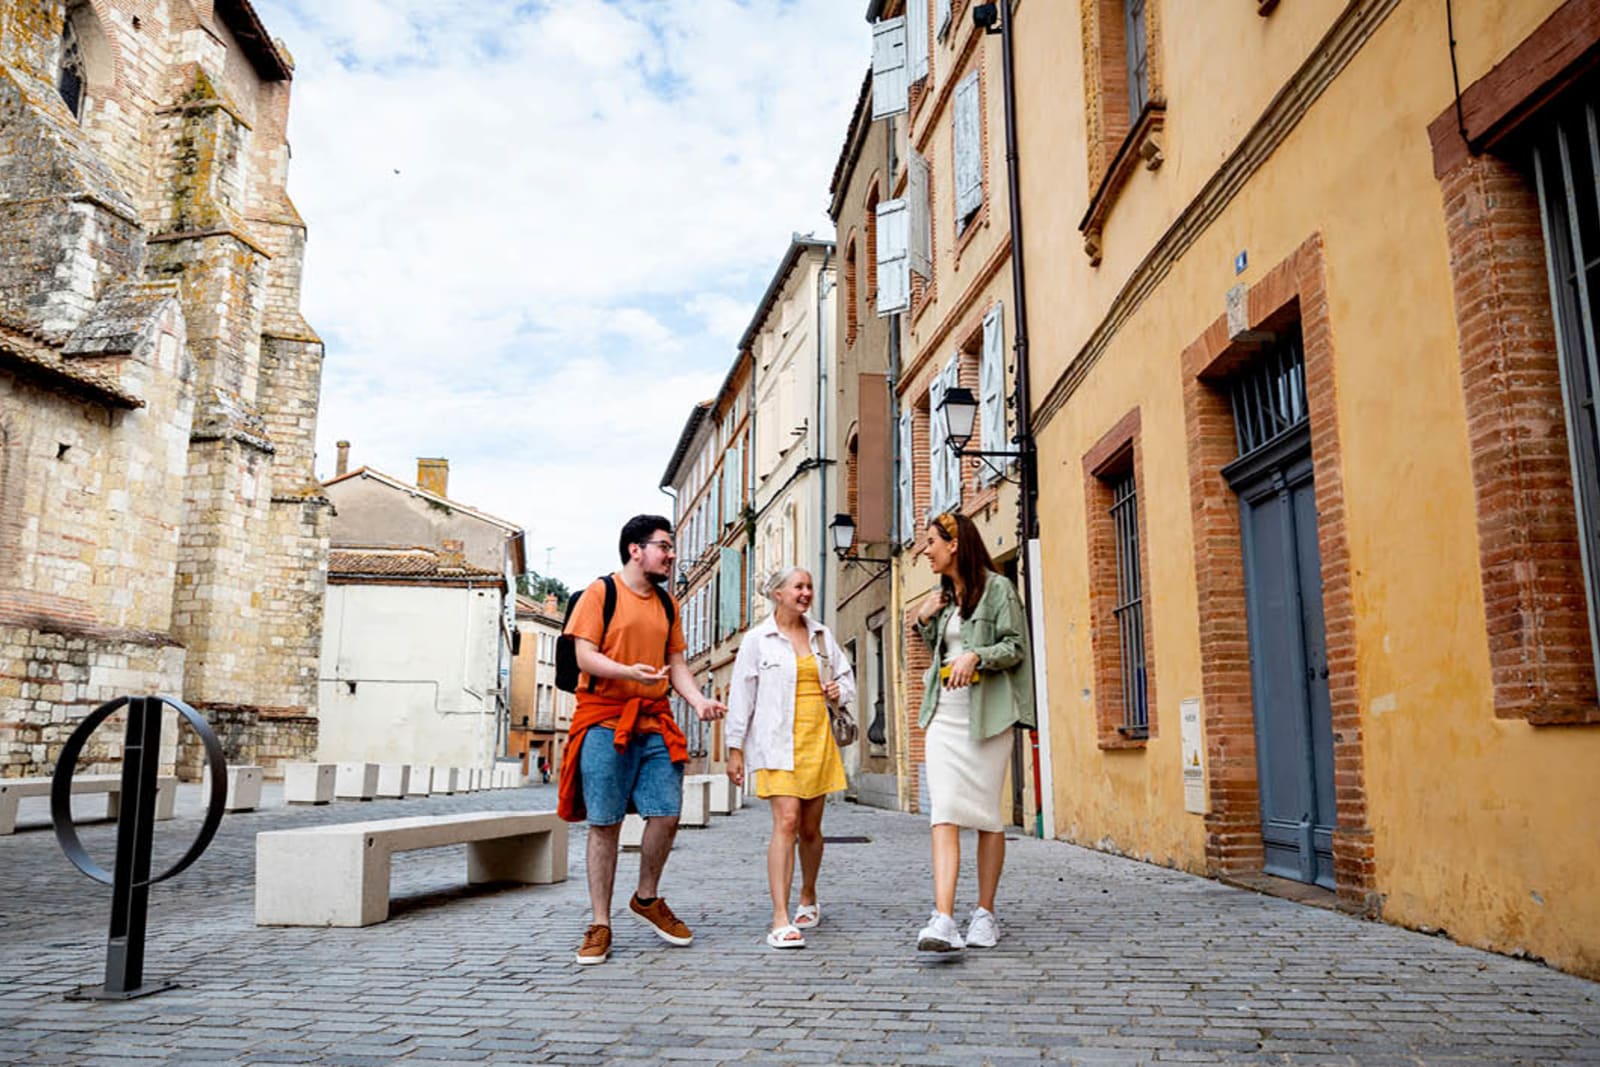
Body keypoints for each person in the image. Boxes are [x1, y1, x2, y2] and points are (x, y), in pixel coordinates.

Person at [558, 514, 726, 965]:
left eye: (669, 547)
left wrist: (696, 701)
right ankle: (600, 923)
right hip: (603, 721)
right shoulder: (601, 593)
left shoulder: (668, 605)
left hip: (653, 720)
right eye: (664, 546)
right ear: (636, 549)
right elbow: (584, 657)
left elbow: (677, 664)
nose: (671, 554)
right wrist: (626, 671)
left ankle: (646, 897)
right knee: (605, 824)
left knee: (668, 813)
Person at [910, 511, 1035, 952]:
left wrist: (977, 656)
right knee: (942, 811)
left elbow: (1015, 647)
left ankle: (985, 913)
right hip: (944, 714)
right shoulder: (942, 596)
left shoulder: (998, 589)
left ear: (954, 543)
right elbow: (938, 652)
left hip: (988, 718)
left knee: (985, 815)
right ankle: (943, 918)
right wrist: (924, 621)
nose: (925, 550)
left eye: (930, 542)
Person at [725, 568, 856, 950]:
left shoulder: (821, 635)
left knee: (811, 829)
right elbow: (741, 697)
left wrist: (838, 690)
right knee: (787, 821)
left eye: (810, 586)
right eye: (798, 587)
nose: (806, 593)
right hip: (775, 741)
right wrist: (735, 749)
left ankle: (808, 895)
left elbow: (846, 678)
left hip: (816, 739)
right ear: (778, 593)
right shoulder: (757, 641)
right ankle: (780, 917)